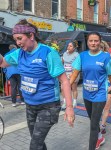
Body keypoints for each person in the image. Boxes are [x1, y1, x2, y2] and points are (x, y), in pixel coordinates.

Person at [0, 19, 75, 150]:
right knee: (38, 142)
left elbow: (64, 81)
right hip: (30, 105)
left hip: (48, 106)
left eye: (19, 38)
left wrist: (69, 107)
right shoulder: (19, 54)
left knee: (34, 145)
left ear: (31, 35)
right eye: (15, 40)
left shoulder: (48, 53)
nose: (17, 43)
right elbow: (2, 63)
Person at [69, 32, 111, 150]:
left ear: (100, 42)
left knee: (93, 125)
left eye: (96, 41)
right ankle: (100, 136)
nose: (93, 43)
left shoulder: (106, 57)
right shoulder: (82, 56)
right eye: (91, 41)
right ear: (87, 42)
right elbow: (75, 73)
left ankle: (92, 146)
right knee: (93, 120)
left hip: (100, 95)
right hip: (86, 94)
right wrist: (67, 86)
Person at [61, 41, 80, 109]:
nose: (68, 47)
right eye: (68, 45)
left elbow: (78, 65)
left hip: (73, 73)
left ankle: (74, 101)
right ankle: (65, 102)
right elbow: (62, 62)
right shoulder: (65, 53)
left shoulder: (77, 55)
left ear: (74, 48)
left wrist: (73, 73)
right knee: (63, 88)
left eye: (70, 46)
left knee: (73, 88)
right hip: (65, 73)